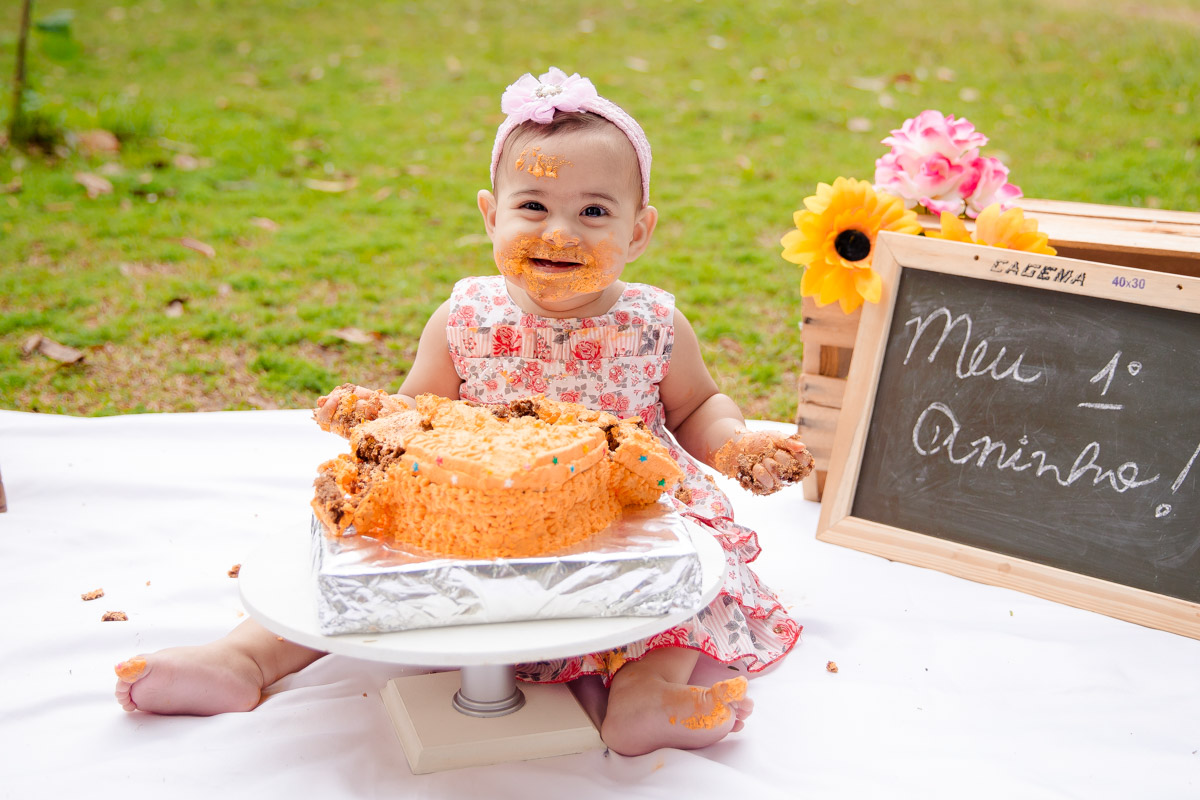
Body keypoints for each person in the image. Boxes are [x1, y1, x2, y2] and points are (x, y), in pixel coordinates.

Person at [114, 67, 812, 757]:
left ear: (638, 232)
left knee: (680, 584)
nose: (561, 232)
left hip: (617, 506)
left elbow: (696, 405)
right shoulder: (466, 316)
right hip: (477, 503)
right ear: (490, 215)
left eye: (594, 212)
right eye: (533, 207)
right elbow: (421, 409)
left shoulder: (653, 323)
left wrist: (734, 445)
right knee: (357, 559)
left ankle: (645, 694)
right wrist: (377, 415)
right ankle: (245, 660)